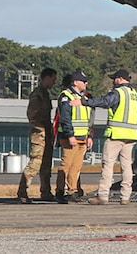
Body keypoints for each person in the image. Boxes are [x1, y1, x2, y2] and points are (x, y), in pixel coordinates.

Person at [76, 69, 137, 205]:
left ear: (120, 79)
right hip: (131, 135)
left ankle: (103, 195)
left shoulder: (118, 93)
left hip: (116, 134)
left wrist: (85, 102)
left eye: (114, 79)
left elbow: (105, 102)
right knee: (127, 166)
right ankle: (125, 196)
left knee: (108, 164)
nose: (113, 82)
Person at [17, 68, 57, 204]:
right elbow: (32, 115)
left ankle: (45, 191)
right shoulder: (38, 94)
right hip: (39, 135)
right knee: (35, 162)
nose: (54, 82)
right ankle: (22, 191)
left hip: (46, 134)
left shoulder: (45, 94)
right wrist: (40, 130)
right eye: (53, 79)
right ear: (46, 78)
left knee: (46, 164)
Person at [55, 70, 93, 204]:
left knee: (76, 167)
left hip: (82, 137)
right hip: (70, 138)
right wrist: (70, 135)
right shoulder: (66, 96)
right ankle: (60, 191)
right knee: (66, 165)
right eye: (83, 81)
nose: (86, 83)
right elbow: (65, 118)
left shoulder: (85, 98)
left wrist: (89, 136)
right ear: (75, 82)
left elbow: (89, 119)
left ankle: (72, 191)